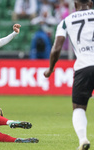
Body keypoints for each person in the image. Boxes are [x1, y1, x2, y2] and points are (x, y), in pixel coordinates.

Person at [44, 0, 94, 150]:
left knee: (79, 107)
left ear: (74, 4)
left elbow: (56, 48)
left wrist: (50, 68)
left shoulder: (66, 22)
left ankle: (83, 139)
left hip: (83, 66)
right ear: (90, 3)